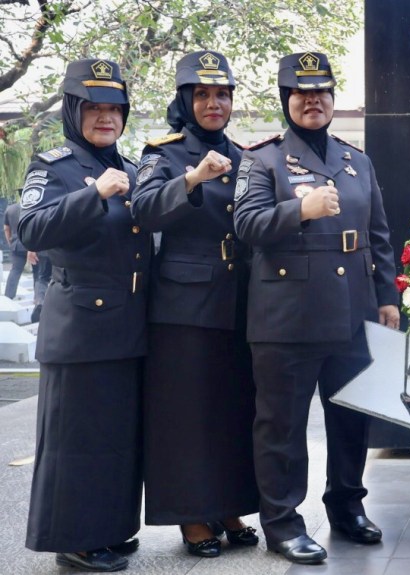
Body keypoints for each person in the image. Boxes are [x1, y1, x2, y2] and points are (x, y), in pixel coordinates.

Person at [232, 51, 400, 564]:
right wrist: (299, 210)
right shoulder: (261, 160)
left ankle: (347, 507)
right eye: (302, 94)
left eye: (321, 92)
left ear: (332, 99)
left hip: (353, 310)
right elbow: (246, 225)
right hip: (288, 316)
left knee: (351, 418)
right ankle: (283, 523)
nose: (313, 101)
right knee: (282, 426)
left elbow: (377, 234)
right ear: (287, 100)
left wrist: (387, 297)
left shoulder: (356, 160)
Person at [20, 58, 150, 572]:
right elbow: (32, 229)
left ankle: (109, 529)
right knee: (75, 440)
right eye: (93, 108)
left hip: (127, 323)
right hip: (79, 325)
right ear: (73, 112)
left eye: (114, 108)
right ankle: (74, 539)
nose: (105, 117)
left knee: (114, 437)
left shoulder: (131, 168)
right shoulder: (53, 166)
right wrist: (92, 194)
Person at [131, 50, 259, 558]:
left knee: (232, 406)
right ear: (185, 100)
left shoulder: (246, 154)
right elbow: (143, 210)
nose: (213, 104)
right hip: (182, 303)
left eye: (222, 94)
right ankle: (191, 515)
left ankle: (228, 506)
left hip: (239, 298)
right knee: (185, 413)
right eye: (202, 94)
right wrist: (191, 179)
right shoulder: (161, 153)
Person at [4, 195, 28, 299]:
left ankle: (9, 296)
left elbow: (6, 228)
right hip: (33, 245)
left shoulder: (10, 209)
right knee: (39, 274)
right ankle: (38, 299)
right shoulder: (34, 208)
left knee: (15, 271)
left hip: (17, 244)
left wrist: (10, 242)